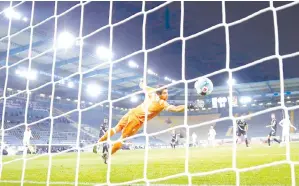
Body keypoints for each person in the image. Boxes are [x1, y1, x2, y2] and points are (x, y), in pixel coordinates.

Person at [94, 79, 185, 163]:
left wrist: (142, 82)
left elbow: (142, 85)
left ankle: (98, 143)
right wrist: (187, 106)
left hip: (133, 111)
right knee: (123, 138)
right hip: (136, 119)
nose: (167, 95)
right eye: (165, 93)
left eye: (167, 92)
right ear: (159, 94)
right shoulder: (161, 103)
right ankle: (106, 156)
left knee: (116, 128)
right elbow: (176, 109)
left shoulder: (152, 91)